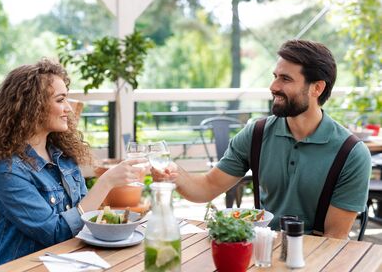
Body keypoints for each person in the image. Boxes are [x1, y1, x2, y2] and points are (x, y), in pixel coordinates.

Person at [153, 39, 371, 239]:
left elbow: (333, 240)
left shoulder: (351, 154)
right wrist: (175, 174)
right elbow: (208, 186)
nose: (274, 86)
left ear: (317, 88)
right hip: (259, 253)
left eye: (285, 79)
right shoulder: (256, 134)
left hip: (314, 261)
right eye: (275, 76)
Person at [0, 59, 146, 270]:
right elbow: (56, 233)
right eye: (60, 100)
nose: (68, 108)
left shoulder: (62, 157)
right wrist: (106, 182)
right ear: (32, 107)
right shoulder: (9, 170)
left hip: (64, 261)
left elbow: (85, 218)